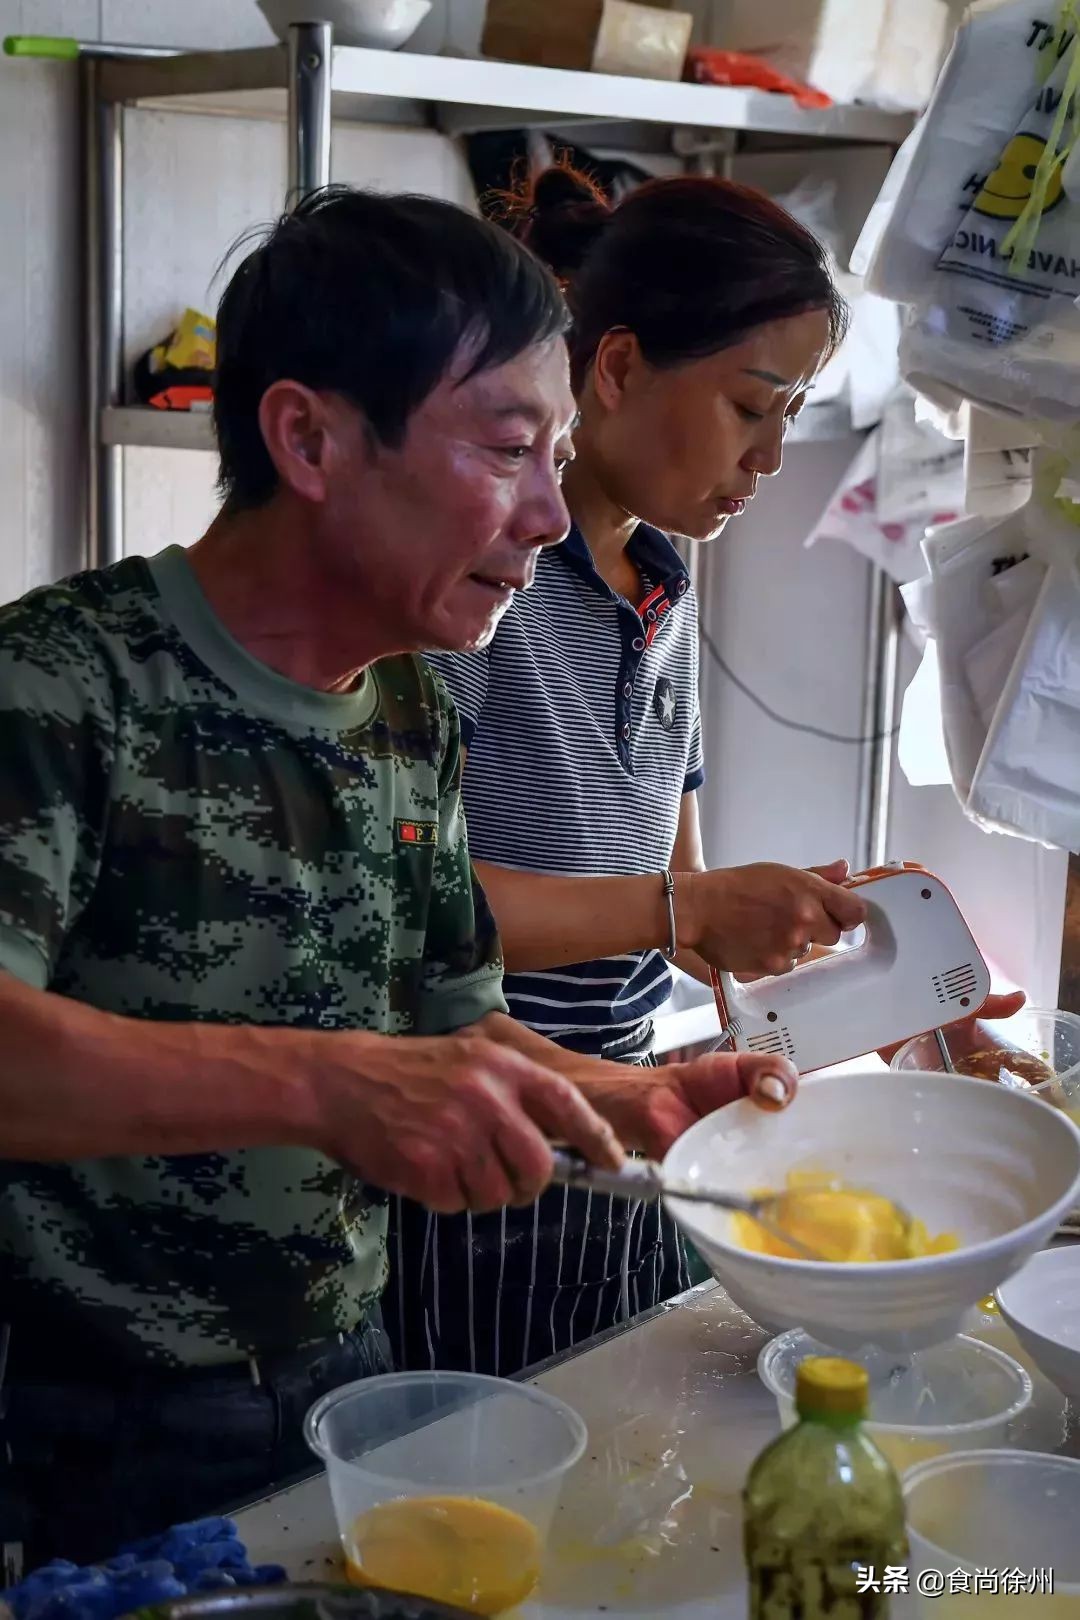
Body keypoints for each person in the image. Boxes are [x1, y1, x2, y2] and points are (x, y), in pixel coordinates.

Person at [0, 186, 799, 1570]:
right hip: (87, 1424)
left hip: (350, 1373)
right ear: (308, 437)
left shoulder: (408, 708)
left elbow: (443, 1020)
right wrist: (328, 1084)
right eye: (507, 450)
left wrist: (633, 1097)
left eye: (559, 454)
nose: (552, 515)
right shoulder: (65, 687)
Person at [388, 166, 1023, 1376]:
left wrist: (863, 965)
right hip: (474, 1144)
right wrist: (688, 907)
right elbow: (411, 912)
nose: (775, 457)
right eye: (752, 406)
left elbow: (675, 914)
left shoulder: (666, 587)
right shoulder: (477, 592)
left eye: (792, 415)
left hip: (619, 1137)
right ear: (616, 370)